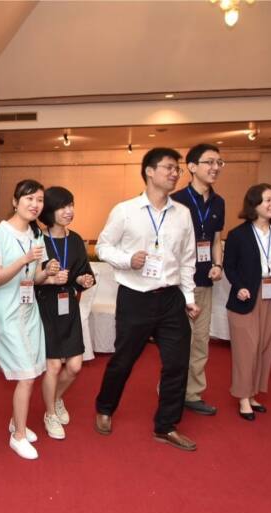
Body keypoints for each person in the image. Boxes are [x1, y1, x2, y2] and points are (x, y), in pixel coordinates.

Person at [94, 148, 200, 452]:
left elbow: (187, 259)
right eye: (168, 167)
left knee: (177, 363)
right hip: (135, 297)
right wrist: (128, 259)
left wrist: (188, 297)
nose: (175, 173)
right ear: (149, 171)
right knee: (123, 360)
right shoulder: (125, 210)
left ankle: (166, 426)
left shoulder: (182, 213)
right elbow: (103, 247)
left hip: (171, 298)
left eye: (177, 169)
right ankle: (105, 407)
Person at [0, 179, 59, 460]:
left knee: (32, 371)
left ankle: (16, 422)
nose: (35, 204)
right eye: (29, 198)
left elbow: (35, 277)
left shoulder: (36, 234)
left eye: (39, 200)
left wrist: (47, 272)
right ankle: (18, 436)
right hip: (6, 312)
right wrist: (24, 259)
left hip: (29, 311)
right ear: (15, 202)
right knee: (27, 375)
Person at [223, 184, 271, 420]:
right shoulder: (238, 234)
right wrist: (239, 286)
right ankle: (243, 397)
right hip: (246, 297)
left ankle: (253, 393)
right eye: (267, 200)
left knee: (264, 347)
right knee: (246, 350)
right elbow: (229, 266)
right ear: (254, 205)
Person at [171, 143, 226, 416]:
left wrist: (217, 264)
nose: (215, 167)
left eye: (219, 163)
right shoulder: (176, 200)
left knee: (201, 341)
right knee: (178, 341)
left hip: (204, 282)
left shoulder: (219, 202)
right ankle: (171, 391)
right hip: (178, 284)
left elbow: (216, 239)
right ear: (192, 167)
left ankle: (192, 394)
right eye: (209, 162)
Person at [36, 186, 94, 440]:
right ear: (49, 210)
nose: (68, 211)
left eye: (70, 205)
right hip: (45, 307)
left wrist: (83, 280)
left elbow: (83, 272)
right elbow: (30, 279)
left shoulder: (76, 239)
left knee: (74, 366)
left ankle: (56, 398)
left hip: (68, 306)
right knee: (52, 365)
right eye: (62, 206)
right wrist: (48, 277)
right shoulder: (38, 240)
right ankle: (50, 413)